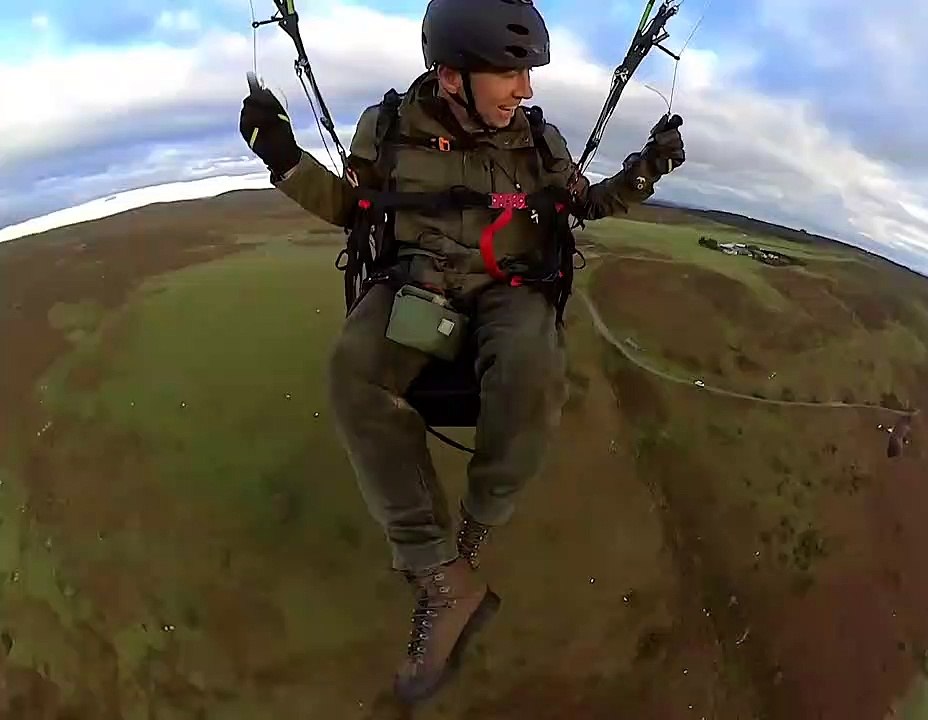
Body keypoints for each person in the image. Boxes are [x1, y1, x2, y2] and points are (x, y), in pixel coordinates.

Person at [237, 0, 685, 705]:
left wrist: (645, 171)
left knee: (532, 367)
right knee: (355, 374)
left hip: (511, 289)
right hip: (418, 284)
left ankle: (470, 541)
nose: (525, 91)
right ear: (451, 77)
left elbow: (584, 206)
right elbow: (353, 212)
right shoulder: (384, 131)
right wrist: (284, 160)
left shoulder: (540, 143)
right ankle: (445, 578)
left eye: (527, 74)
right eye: (510, 75)